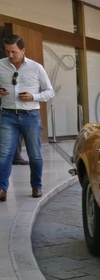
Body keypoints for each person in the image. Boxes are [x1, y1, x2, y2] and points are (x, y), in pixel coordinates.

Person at [0, 34, 55, 202]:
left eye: (14, 52)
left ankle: (36, 185)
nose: (10, 55)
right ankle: (2, 188)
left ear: (23, 50)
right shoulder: (0, 65)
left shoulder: (36, 67)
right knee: (4, 154)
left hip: (31, 116)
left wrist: (33, 96)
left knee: (35, 154)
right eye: (7, 51)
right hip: (7, 115)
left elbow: (50, 91)